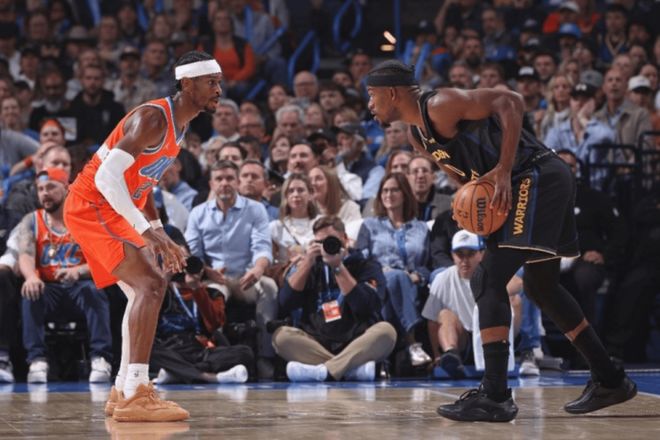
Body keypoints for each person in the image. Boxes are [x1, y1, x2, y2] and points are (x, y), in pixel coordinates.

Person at [365, 60, 636, 422]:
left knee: (486, 279)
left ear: (392, 93)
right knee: (542, 287)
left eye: (372, 95)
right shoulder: (418, 136)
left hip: (535, 174)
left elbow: (510, 101)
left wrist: (504, 169)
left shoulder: (439, 105)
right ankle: (610, 378)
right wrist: (470, 205)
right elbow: (465, 178)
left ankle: (494, 395)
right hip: (530, 183)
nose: (369, 104)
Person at [63, 51, 224, 422]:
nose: (219, 89)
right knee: (150, 285)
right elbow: (106, 178)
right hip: (93, 204)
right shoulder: (153, 117)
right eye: (211, 82)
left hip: (114, 208)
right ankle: (137, 391)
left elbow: (142, 183)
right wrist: (147, 233)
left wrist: (158, 230)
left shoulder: (180, 127)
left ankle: (123, 389)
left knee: (145, 289)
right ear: (187, 84)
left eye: (219, 82)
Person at [272, 216, 397, 382]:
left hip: (357, 341)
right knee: (281, 336)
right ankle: (349, 370)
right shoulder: (311, 267)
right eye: (320, 242)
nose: (326, 247)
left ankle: (323, 371)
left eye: (331, 241)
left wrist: (338, 267)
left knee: (387, 332)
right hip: (317, 342)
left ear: (345, 239)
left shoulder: (366, 266)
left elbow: (366, 306)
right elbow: (286, 302)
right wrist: (307, 262)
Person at [185, 160, 278, 380]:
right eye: (219, 179)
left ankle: (265, 356)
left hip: (247, 276)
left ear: (237, 182)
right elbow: (192, 254)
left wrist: (258, 268)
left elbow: (262, 246)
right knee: (210, 294)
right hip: (215, 277)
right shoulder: (198, 213)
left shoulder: (255, 209)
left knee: (270, 287)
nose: (224, 183)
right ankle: (214, 354)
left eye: (229, 178)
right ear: (211, 184)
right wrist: (207, 271)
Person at [18, 168, 113, 383]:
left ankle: (100, 358)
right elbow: (25, 255)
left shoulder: (85, 218)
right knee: (30, 293)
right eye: (40, 189)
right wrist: (31, 277)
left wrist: (78, 271)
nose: (45, 193)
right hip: (49, 288)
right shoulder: (32, 220)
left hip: (79, 288)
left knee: (93, 290)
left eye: (51, 187)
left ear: (66, 188)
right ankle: (37, 360)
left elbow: (103, 261)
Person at [356, 173, 432, 367]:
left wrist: (418, 276)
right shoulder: (369, 226)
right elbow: (360, 261)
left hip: (413, 285)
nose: (388, 195)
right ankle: (412, 342)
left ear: (405, 194)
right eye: (385, 190)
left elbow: (430, 264)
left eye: (394, 190)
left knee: (398, 282)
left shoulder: (421, 228)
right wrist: (379, 272)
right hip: (377, 282)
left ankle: (383, 357)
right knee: (395, 278)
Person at [422, 230, 484, 378]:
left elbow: (518, 284)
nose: (465, 260)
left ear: (481, 254)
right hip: (463, 341)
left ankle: (512, 353)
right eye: (460, 254)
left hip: (487, 338)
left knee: (515, 301)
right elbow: (432, 321)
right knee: (445, 315)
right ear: (452, 255)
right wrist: (437, 355)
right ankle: (451, 354)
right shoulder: (442, 278)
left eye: (470, 254)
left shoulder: (492, 275)